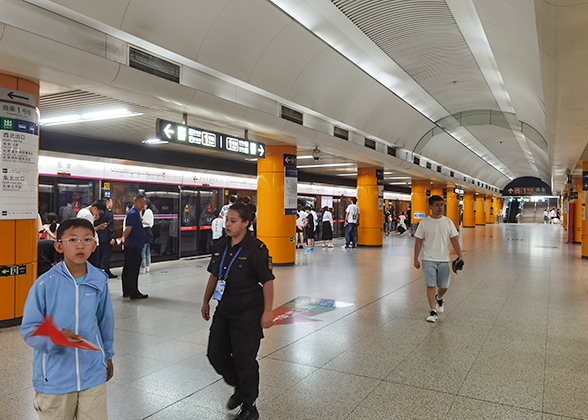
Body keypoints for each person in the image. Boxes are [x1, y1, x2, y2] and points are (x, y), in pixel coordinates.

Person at [21, 218, 115, 420]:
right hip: (55, 378)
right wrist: (55, 338)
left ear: (94, 245)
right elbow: (29, 328)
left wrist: (107, 355)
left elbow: (104, 321)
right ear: (59, 245)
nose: (80, 245)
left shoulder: (99, 280)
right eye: (72, 240)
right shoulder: (44, 284)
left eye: (86, 239)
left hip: (93, 373)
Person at [201, 203, 274, 420]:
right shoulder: (222, 244)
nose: (228, 224)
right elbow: (214, 274)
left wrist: (268, 311)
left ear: (245, 223)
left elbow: (268, 282)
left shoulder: (256, 249)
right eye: (227, 220)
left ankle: (250, 406)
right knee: (215, 353)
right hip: (224, 308)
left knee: (244, 359)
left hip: (249, 311)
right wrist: (205, 301)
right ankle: (240, 388)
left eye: (233, 221)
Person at [413, 195, 464, 323]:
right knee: (430, 285)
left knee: (444, 286)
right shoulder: (424, 223)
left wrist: (460, 256)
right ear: (430, 207)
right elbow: (418, 241)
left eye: (442, 205)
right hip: (428, 259)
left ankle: (439, 297)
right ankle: (432, 310)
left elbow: (455, 240)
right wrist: (416, 258)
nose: (440, 207)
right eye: (437, 205)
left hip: (443, 259)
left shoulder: (448, 222)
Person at [121, 195, 148, 299]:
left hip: (133, 245)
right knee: (133, 269)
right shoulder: (133, 214)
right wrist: (123, 239)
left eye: (144, 202)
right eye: (140, 202)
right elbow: (128, 229)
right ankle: (134, 292)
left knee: (128, 268)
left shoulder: (135, 213)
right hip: (133, 246)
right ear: (134, 202)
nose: (142, 204)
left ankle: (127, 290)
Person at [77, 200, 108, 267]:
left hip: (83, 241)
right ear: (95, 208)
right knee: (93, 264)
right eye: (99, 211)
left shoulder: (81, 211)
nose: (98, 213)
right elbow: (89, 230)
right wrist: (100, 227)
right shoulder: (88, 215)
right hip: (91, 243)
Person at [96, 198, 116, 279]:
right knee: (106, 256)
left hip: (98, 237)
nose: (112, 204)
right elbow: (111, 226)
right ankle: (107, 271)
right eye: (111, 202)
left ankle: (98, 271)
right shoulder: (109, 213)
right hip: (106, 237)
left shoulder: (98, 213)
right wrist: (112, 237)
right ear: (108, 203)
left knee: (99, 256)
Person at [141, 201, 154, 274]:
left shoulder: (148, 211)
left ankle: (143, 267)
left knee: (143, 250)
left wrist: (141, 221)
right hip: (148, 232)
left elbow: (148, 222)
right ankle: (147, 266)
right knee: (147, 250)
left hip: (146, 231)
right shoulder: (148, 211)